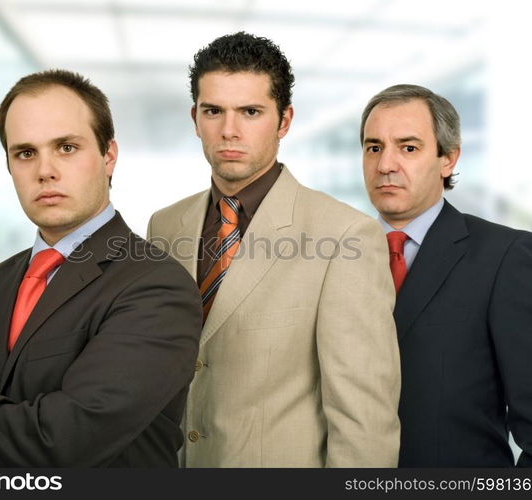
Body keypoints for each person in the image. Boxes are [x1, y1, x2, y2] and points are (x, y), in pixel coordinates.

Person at [0, 69, 202, 467]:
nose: (45, 171)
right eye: (25, 153)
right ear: (9, 166)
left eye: (67, 148)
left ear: (108, 156)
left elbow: (65, 442)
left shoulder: (156, 286)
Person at [147, 32, 400, 467]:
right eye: (213, 111)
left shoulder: (345, 236)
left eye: (250, 112)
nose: (229, 130)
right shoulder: (165, 226)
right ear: (195, 118)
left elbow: (364, 423)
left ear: (284, 121)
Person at [360, 83, 532, 467]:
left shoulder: (505, 256)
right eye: (374, 147)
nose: (385, 165)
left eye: (408, 148)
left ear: (449, 159)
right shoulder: (336, 257)